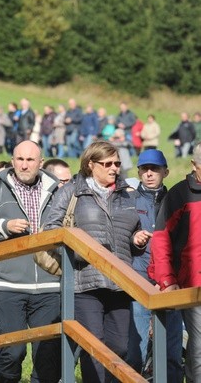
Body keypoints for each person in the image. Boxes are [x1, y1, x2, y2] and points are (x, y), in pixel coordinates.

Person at [44, 140, 149, 383]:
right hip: (84, 282)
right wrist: (79, 252)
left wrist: (137, 240)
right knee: (94, 346)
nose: (114, 168)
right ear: (91, 165)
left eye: (117, 164)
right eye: (108, 163)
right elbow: (50, 229)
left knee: (120, 347)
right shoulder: (72, 190)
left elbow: (132, 231)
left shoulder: (126, 195)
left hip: (121, 282)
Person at [0, 140, 61, 383]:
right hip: (9, 284)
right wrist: (4, 226)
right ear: (12, 161)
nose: (24, 164)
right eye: (19, 159)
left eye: (30, 160)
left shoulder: (57, 191)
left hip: (50, 284)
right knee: (12, 351)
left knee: (48, 354)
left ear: (40, 163)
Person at [124, 150, 183, 381]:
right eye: (144, 169)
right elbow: (118, 235)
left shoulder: (177, 201)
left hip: (171, 283)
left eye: (155, 169)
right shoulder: (127, 200)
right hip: (138, 280)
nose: (149, 174)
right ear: (138, 172)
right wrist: (133, 238)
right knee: (134, 350)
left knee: (172, 350)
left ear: (165, 172)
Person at [149, 142, 201, 381]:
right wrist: (167, 279)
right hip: (192, 285)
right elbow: (161, 240)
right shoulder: (179, 194)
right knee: (199, 346)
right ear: (194, 165)